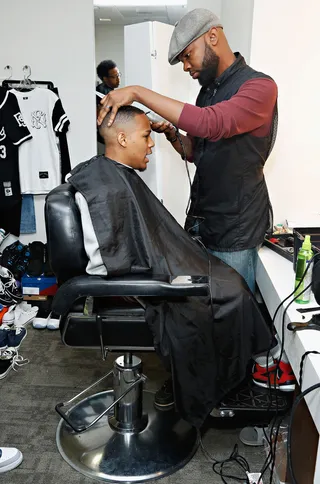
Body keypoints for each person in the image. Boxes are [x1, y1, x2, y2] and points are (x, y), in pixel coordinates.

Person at [67, 106, 286, 429]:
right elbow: (105, 264)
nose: (151, 144)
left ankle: (238, 376)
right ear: (123, 138)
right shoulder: (104, 187)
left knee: (228, 285)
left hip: (147, 272)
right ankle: (220, 388)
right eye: (146, 137)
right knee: (220, 298)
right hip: (129, 288)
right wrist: (163, 274)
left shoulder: (114, 176)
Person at [97, 8, 278, 294]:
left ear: (213, 36)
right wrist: (172, 134)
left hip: (235, 230)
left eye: (187, 55)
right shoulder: (207, 92)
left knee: (232, 314)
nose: (185, 66)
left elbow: (211, 124)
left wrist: (138, 92)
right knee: (206, 311)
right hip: (201, 222)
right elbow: (197, 151)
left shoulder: (259, 88)